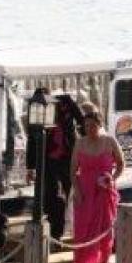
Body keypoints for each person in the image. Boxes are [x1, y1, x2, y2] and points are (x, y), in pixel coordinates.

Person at [70, 103, 125, 263]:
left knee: (105, 230)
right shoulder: (80, 143)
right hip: (85, 193)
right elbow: (72, 171)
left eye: (92, 126)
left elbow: (121, 164)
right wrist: (77, 190)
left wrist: (112, 179)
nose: (89, 129)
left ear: (99, 125)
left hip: (104, 193)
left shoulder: (109, 141)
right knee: (84, 233)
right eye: (86, 126)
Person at [45, 95, 84, 242]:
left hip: (66, 157)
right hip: (50, 160)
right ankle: (55, 231)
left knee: (66, 194)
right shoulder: (46, 111)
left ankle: (60, 230)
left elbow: (80, 119)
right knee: (52, 195)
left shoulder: (67, 106)